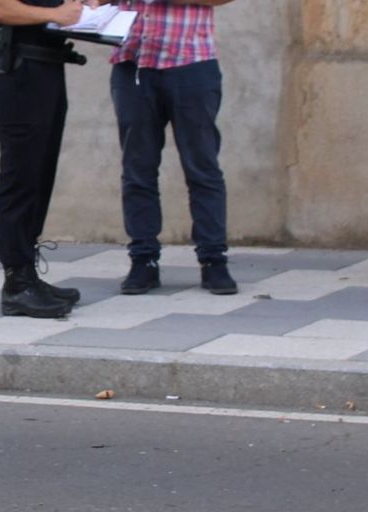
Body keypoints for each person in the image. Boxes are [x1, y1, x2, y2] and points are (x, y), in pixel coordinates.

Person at [103, 0, 238, 296]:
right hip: (133, 65)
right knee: (137, 169)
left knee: (202, 168)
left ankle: (213, 260)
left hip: (191, 64)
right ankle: (143, 259)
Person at [0, 0, 91, 318]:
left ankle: (28, 273)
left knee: (40, 173)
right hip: (18, 69)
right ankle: (17, 285)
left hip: (46, 65)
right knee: (21, 174)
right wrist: (56, 15)